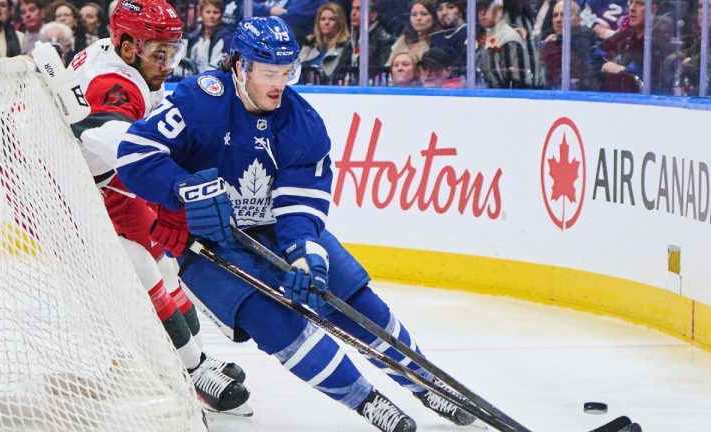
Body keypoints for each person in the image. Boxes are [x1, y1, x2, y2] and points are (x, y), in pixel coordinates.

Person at [116, 15, 479, 432]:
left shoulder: (301, 122)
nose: (279, 83)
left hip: (274, 228)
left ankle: (424, 381)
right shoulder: (201, 101)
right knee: (273, 322)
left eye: (287, 72)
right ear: (240, 66)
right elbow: (135, 153)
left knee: (355, 299)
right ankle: (367, 400)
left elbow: (299, 200)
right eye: (269, 73)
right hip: (206, 240)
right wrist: (184, 189)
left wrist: (304, 249)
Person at [66, 0, 249, 412]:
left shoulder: (123, 57)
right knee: (139, 266)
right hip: (59, 184)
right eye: (159, 53)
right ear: (129, 46)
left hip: (100, 175)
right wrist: (176, 187)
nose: (167, 64)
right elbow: (125, 147)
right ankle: (194, 372)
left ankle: (197, 359)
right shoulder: (112, 84)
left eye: (172, 51)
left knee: (164, 262)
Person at [539, 0, 598, 90]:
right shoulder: (547, 47)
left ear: (578, 19)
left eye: (564, 15)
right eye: (555, 15)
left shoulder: (588, 45)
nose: (558, 20)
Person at [476, 0, 533, 88]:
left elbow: (517, 81)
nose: (483, 13)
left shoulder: (509, 39)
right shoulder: (480, 37)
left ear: (499, 11)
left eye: (487, 8)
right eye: (479, 9)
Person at [298, 2, 353, 85]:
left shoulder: (346, 46)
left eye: (331, 19)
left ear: (339, 22)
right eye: (323, 19)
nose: (326, 22)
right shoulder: (309, 44)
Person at [386, 0, 441, 65]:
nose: (418, 18)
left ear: (434, 17)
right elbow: (388, 66)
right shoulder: (403, 40)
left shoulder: (440, 41)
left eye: (424, 14)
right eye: (414, 15)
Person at [187, 0, 232, 72]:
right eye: (208, 12)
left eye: (216, 12)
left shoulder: (226, 38)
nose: (211, 16)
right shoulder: (193, 37)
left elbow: (215, 70)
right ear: (201, 14)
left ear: (221, 15)